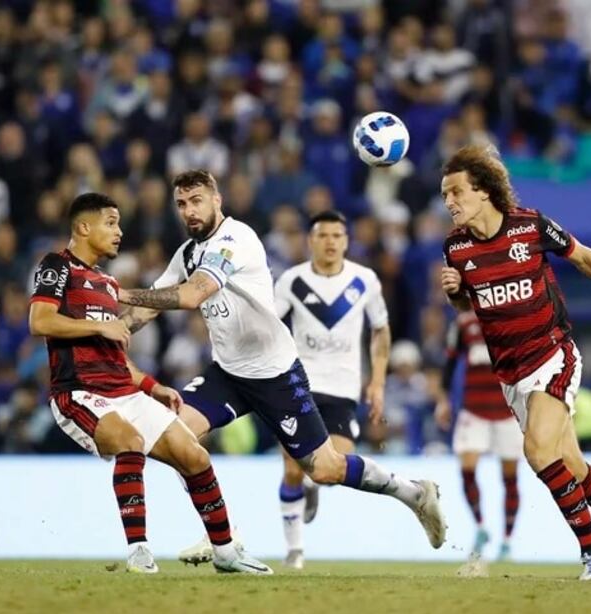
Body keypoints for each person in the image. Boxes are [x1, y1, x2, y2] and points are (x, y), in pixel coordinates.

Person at [116, 170, 446, 565]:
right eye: (182, 203)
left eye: (197, 200)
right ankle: (223, 537)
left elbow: (191, 295)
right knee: (173, 435)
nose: (189, 210)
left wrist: (117, 289)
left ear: (217, 200)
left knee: (324, 470)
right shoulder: (187, 252)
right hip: (228, 373)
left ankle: (414, 493)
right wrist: (110, 325)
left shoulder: (235, 241)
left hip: (275, 374)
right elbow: (149, 306)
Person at [439, 145, 591, 581]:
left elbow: (583, 257)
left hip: (552, 354)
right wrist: (454, 294)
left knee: (537, 451)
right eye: (445, 195)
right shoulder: (455, 249)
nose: (449, 202)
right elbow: (470, 306)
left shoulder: (530, 226)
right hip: (511, 373)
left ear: (483, 191)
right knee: (571, 468)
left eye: (456, 192)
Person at [27, 192, 271, 574]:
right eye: (111, 222)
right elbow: (40, 321)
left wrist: (151, 385)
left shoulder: (107, 283)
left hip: (123, 390)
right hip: (79, 392)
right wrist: (99, 324)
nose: (119, 231)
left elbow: (113, 352)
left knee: (194, 456)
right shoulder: (57, 266)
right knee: (130, 442)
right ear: (83, 227)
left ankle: (225, 551)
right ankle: (139, 551)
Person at [267, 210, 391, 570]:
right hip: (298, 386)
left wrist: (378, 381)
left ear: (347, 241)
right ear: (311, 240)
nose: (331, 242)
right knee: (292, 468)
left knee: (334, 470)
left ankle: (312, 489)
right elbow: (271, 326)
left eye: (338, 235)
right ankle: (295, 552)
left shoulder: (364, 281)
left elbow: (381, 330)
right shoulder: (292, 281)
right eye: (323, 235)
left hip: (342, 389)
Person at [435, 310, 521, 562]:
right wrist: (443, 401)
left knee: (510, 478)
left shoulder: (513, 318)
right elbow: (450, 363)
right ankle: (481, 526)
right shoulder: (464, 323)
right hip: (474, 410)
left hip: (507, 412)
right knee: (467, 468)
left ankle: (506, 542)